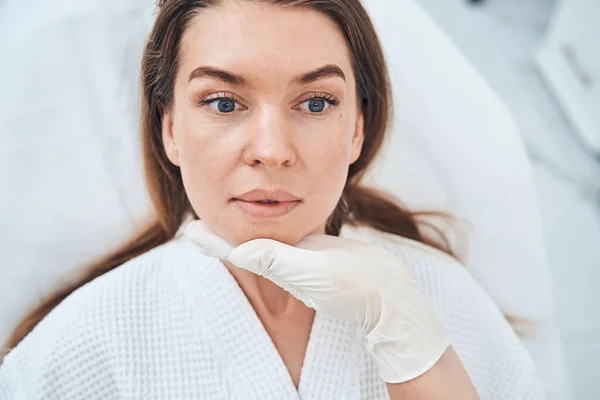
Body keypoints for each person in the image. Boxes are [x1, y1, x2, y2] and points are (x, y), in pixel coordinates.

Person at [0, 0, 544, 398]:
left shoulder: (437, 300)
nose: (271, 150)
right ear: (169, 128)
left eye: (314, 104)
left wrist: (417, 353)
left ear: (357, 127)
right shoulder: (95, 335)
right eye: (222, 102)